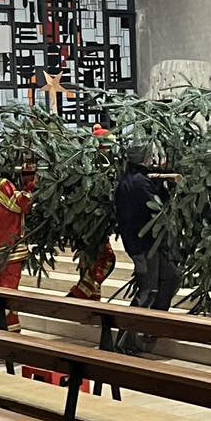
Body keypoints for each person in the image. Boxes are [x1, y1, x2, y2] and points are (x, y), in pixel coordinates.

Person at [114, 144, 181, 353]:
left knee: (170, 278)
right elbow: (157, 208)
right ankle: (125, 341)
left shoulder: (131, 179)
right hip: (144, 246)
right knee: (148, 290)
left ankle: (153, 325)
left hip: (147, 244)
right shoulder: (139, 183)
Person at [0, 167, 36, 330]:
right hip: (8, 247)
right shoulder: (2, 185)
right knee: (6, 293)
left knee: (4, 289)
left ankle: (12, 327)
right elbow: (23, 205)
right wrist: (31, 186)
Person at [68, 112, 117, 300]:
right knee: (103, 259)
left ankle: (90, 302)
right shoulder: (89, 170)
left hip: (95, 224)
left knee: (93, 261)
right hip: (88, 224)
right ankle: (79, 296)